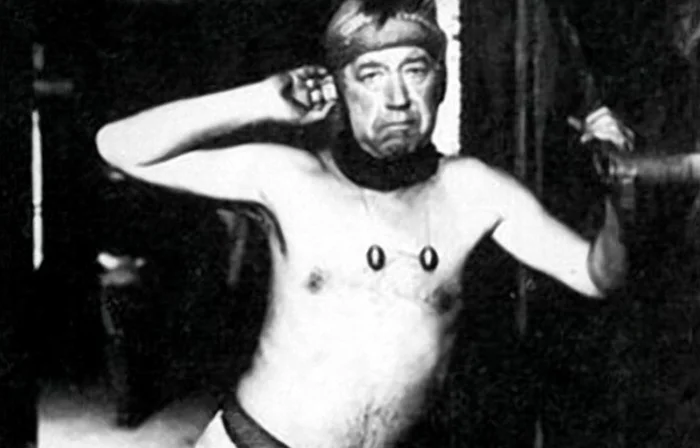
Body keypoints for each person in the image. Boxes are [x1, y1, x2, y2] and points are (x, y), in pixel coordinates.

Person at [96, 1, 630, 446]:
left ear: (440, 82)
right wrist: (258, 100)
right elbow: (117, 146)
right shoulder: (288, 178)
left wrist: (619, 190)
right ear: (339, 89)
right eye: (371, 75)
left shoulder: (472, 191)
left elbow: (596, 275)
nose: (397, 99)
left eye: (415, 71)